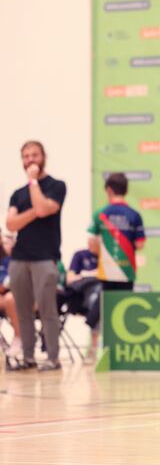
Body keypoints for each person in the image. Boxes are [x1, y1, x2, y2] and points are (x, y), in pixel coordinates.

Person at [6, 141, 66, 371]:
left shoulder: (56, 186)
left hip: (45, 258)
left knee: (47, 309)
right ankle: (28, 357)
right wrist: (35, 213)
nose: (30, 160)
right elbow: (11, 224)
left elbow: (43, 208)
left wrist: (33, 182)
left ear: (44, 157)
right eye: (26, 156)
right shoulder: (17, 194)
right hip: (20, 258)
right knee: (23, 311)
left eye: (34, 155)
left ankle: (52, 358)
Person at [86, 173, 146, 358]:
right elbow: (140, 244)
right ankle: (123, 350)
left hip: (107, 270)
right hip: (127, 270)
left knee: (102, 306)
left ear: (109, 190)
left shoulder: (101, 214)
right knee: (124, 307)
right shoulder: (135, 215)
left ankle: (93, 349)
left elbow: (91, 243)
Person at [64, 236, 101, 359]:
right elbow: (70, 279)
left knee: (99, 297)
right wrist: (86, 275)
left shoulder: (107, 258)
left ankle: (95, 347)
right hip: (81, 296)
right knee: (96, 299)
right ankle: (94, 347)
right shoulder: (80, 255)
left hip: (100, 296)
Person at [0, 234, 22, 358]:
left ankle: (18, 336)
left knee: (10, 298)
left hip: (16, 298)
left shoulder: (15, 261)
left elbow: (5, 285)